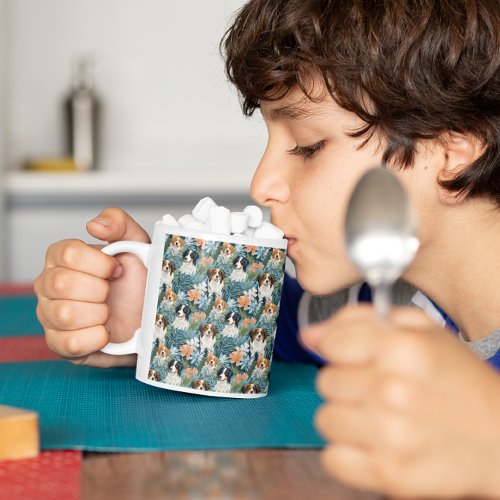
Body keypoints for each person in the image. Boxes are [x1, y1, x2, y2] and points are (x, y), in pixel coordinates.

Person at [34, 0, 499, 496]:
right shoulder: (373, 308)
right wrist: (155, 307)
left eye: (306, 145)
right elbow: (274, 322)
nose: (261, 185)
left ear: (452, 153)